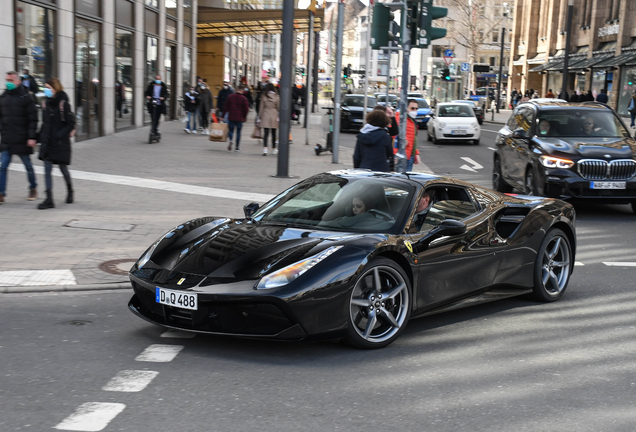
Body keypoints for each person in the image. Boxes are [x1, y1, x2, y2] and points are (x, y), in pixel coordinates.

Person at [0, 71, 38, 204]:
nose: (7, 83)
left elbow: (33, 119)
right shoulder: (3, 97)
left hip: (22, 139)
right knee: (3, 166)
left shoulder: (26, 97)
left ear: (18, 81)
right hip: (7, 139)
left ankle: (33, 188)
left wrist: (32, 137)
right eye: (6, 80)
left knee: (28, 165)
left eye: (10, 80)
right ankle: (1, 193)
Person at [36, 77, 75, 209]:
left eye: (48, 87)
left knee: (63, 169)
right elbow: (45, 123)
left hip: (60, 143)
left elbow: (71, 124)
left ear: (55, 88)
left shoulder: (63, 104)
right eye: (45, 87)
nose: (46, 90)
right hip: (48, 142)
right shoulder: (46, 103)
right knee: (47, 170)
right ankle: (49, 198)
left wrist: (59, 135)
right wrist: (37, 136)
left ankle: (70, 191)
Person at [394, 99, 421, 171]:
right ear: (406, 108)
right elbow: (394, 135)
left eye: (416, 108)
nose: (414, 110)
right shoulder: (399, 118)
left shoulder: (412, 121)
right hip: (401, 156)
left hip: (409, 156)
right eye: (412, 108)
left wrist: (416, 153)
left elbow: (413, 139)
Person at [223, 87, 249, 152]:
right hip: (240, 118)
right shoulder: (244, 99)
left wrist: (222, 116)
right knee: (238, 132)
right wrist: (244, 117)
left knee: (231, 130)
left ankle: (231, 139)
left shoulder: (230, 97)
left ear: (236, 90)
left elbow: (226, 107)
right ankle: (237, 147)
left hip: (231, 116)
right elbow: (246, 109)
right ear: (242, 90)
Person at [259, 83, 280, 156]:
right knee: (274, 133)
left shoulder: (264, 96)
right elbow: (279, 107)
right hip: (274, 115)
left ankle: (265, 149)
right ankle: (274, 149)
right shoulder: (276, 97)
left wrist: (259, 117)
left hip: (265, 114)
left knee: (266, 133)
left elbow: (261, 107)